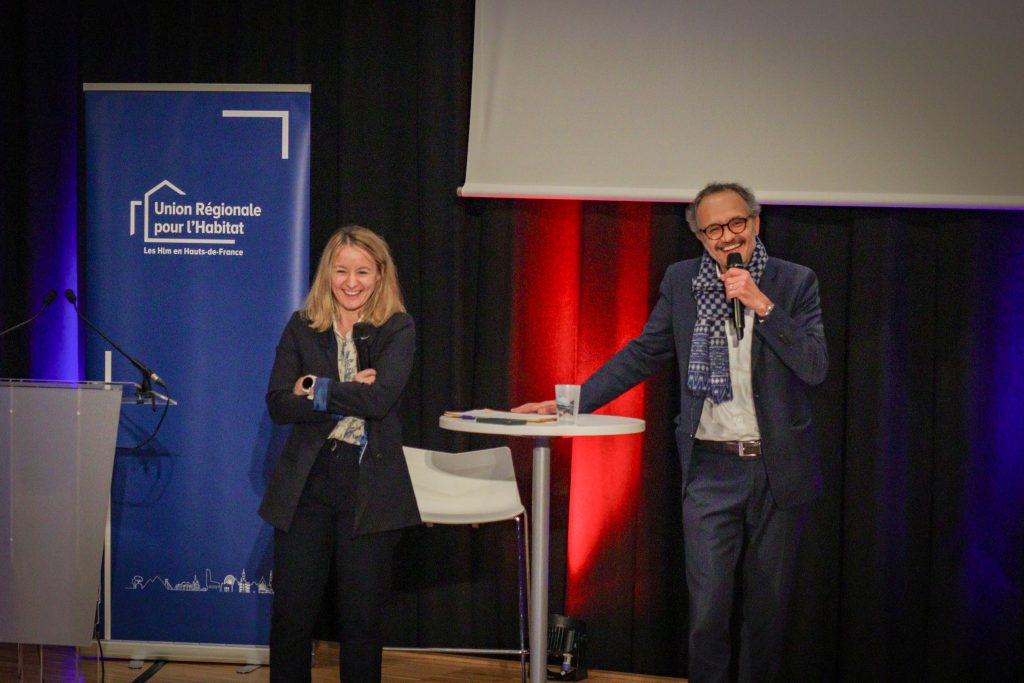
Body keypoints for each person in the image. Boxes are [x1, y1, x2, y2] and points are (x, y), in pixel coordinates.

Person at [514, 182, 827, 682]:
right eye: (713, 230)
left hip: (777, 470)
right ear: (701, 238)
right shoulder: (683, 282)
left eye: (736, 223)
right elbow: (645, 351)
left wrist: (762, 306)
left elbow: (813, 366)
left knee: (767, 615)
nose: (727, 237)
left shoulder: (794, 282)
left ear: (755, 222)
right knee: (708, 612)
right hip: (711, 468)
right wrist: (574, 401)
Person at [259, 225, 420, 682]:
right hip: (307, 482)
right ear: (327, 273)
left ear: (380, 274)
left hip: (369, 484)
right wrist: (350, 390)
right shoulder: (302, 325)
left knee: (361, 622)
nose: (351, 282)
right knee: (291, 617)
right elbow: (278, 404)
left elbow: (379, 400)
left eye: (362, 272)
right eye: (342, 270)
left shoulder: (397, 327)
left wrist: (316, 388)